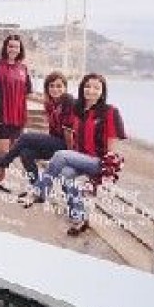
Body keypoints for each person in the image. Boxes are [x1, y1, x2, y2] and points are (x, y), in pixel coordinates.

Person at [31, 73, 126, 236]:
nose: (91, 90)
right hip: (80, 158)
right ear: (82, 88)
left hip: (98, 161)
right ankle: (79, 218)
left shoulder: (110, 112)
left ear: (102, 92)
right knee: (65, 175)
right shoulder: (78, 111)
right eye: (88, 86)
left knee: (60, 155)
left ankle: (40, 192)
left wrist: (106, 171)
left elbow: (112, 147)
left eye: (97, 88)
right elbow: (71, 134)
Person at [0, 70, 75, 199]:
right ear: (47, 88)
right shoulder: (50, 104)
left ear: (65, 87)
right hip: (56, 142)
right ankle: (38, 191)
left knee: (26, 137)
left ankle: (5, 161)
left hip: (67, 145)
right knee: (26, 153)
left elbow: (69, 131)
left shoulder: (68, 101)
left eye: (59, 86)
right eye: (51, 86)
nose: (55, 89)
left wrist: (70, 154)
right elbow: (52, 130)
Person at [0, 34, 32, 193]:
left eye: (16, 47)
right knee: (3, 151)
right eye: (10, 46)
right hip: (2, 115)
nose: (13, 49)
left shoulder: (23, 69)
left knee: (9, 152)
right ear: (5, 47)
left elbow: (27, 93)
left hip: (18, 117)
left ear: (20, 49)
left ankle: (0, 181)